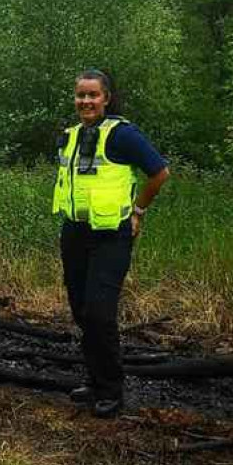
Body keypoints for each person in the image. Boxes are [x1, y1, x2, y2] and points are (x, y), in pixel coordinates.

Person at [53, 69, 169, 418]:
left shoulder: (123, 135)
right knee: (81, 310)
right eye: (81, 95)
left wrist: (138, 212)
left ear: (106, 98)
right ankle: (94, 378)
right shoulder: (70, 135)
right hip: (74, 232)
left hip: (111, 236)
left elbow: (159, 172)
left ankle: (110, 390)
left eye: (93, 95)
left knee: (100, 312)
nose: (86, 101)